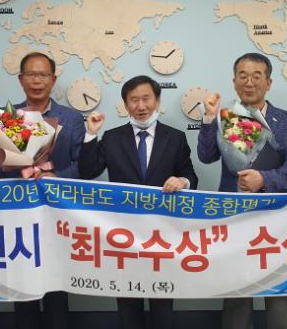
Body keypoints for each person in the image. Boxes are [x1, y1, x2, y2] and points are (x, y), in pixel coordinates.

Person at [0, 52, 85, 329]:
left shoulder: (71, 117)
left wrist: (56, 176)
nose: (37, 81)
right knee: (22, 283)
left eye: (43, 75)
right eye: (30, 74)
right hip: (16, 211)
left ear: (53, 79)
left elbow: (83, 164)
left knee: (56, 286)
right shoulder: (6, 117)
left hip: (56, 212)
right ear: (20, 79)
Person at [197, 52, 287, 329]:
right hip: (235, 217)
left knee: (279, 295)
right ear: (234, 81)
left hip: (278, 220)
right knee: (237, 294)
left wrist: (264, 179)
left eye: (257, 76)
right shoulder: (227, 116)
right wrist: (209, 119)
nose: (249, 82)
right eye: (243, 76)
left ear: (268, 83)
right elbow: (206, 156)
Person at [79, 75, 198, 329]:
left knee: (162, 305)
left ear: (157, 101)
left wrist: (182, 181)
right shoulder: (112, 137)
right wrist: (90, 134)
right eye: (134, 100)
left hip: (163, 234)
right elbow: (87, 171)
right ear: (125, 105)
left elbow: (191, 176)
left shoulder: (175, 137)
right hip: (123, 234)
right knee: (128, 303)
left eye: (146, 99)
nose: (141, 106)